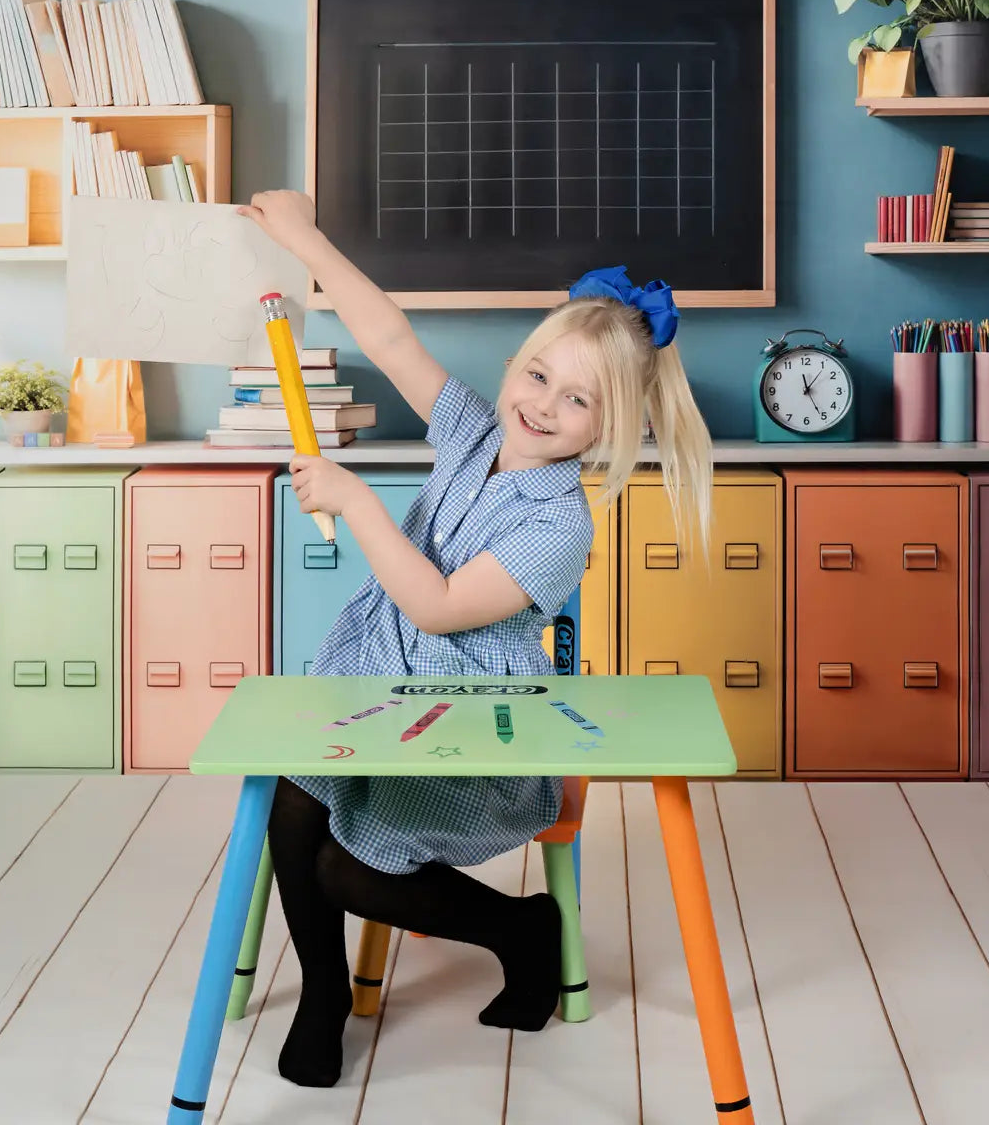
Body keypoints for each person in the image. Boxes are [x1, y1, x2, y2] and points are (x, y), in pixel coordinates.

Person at [237, 189, 713, 1088]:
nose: (543, 405)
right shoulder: (472, 431)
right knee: (292, 803)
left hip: (472, 723)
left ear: (608, 428)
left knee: (350, 870)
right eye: (538, 375)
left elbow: (441, 609)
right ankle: (325, 994)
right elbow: (389, 337)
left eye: (578, 401)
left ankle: (521, 929)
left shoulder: (561, 523)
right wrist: (305, 240)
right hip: (371, 675)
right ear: (518, 363)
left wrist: (358, 503)